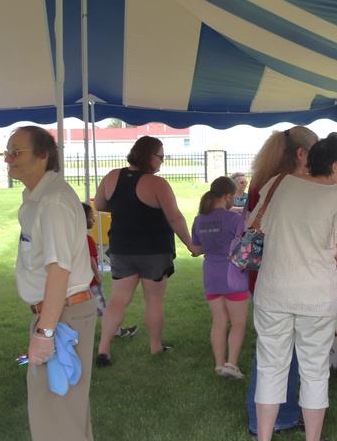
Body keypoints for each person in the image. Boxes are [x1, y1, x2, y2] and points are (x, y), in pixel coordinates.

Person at [6, 126, 120, 441]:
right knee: (65, 404)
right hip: (62, 311)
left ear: (43, 156)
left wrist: (45, 332)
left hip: (62, 313)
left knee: (52, 407)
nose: (8, 159)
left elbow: (60, 269)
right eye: (7, 152)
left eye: (16, 152)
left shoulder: (52, 201)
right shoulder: (43, 197)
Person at [248, 133, 337, 441]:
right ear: (334, 164)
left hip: (274, 289)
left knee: (270, 365)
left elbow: (257, 226)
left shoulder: (279, 184)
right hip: (315, 294)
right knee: (313, 369)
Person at [94, 136, 200, 367]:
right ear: (149, 155)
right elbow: (175, 217)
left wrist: (125, 207)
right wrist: (191, 245)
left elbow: (100, 205)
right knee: (153, 300)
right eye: (160, 156)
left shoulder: (113, 176)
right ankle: (155, 346)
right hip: (153, 250)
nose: (162, 161)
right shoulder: (158, 184)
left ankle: (103, 349)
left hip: (122, 249)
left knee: (118, 299)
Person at [244, 126, 320, 436]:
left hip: (261, 277)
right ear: (302, 154)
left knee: (272, 352)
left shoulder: (264, 181)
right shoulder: (295, 185)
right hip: (285, 277)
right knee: (284, 356)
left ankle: (267, 418)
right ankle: (280, 417)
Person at [191, 176, 249, 379]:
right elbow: (245, 245)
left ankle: (218, 365)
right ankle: (231, 364)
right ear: (227, 196)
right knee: (238, 322)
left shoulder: (199, 220)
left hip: (211, 276)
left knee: (219, 321)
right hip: (234, 277)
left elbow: (196, 250)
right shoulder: (234, 220)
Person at [82, 203, 137, 339]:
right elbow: (91, 261)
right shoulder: (87, 239)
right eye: (91, 218)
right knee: (105, 307)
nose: (93, 220)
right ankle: (116, 331)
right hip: (92, 281)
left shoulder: (74, 239)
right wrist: (98, 276)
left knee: (86, 308)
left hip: (80, 281)